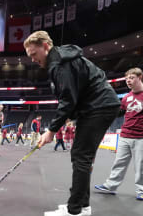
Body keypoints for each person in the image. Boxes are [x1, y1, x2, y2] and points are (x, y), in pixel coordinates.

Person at [24, 30, 120, 216]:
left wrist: (51, 130)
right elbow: (73, 97)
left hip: (99, 107)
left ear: (46, 46)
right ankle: (82, 206)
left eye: (34, 54)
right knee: (80, 155)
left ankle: (74, 210)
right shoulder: (61, 58)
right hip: (96, 106)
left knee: (81, 156)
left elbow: (68, 100)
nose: (33, 60)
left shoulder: (59, 64)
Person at [94, 67, 143, 201]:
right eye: (127, 79)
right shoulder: (126, 97)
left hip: (141, 138)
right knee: (119, 163)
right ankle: (110, 186)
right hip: (125, 135)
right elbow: (119, 113)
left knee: (141, 166)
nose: (128, 81)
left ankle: (142, 190)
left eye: (132, 78)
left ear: (140, 78)